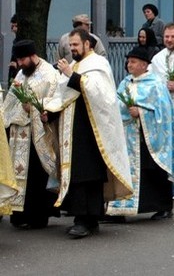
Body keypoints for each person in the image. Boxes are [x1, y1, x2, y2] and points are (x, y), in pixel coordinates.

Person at [51, 28, 133, 238]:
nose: (72, 49)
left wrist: (72, 76)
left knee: (89, 175)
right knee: (78, 174)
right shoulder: (75, 65)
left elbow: (101, 95)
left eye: (76, 45)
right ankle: (85, 217)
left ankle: (86, 219)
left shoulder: (98, 63)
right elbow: (62, 92)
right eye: (71, 46)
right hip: (74, 128)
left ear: (88, 44)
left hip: (92, 128)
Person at [106, 46, 174, 219]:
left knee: (153, 171)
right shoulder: (125, 83)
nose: (129, 65)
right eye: (128, 62)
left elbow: (164, 113)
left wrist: (141, 113)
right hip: (128, 137)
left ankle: (163, 206)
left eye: (133, 62)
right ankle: (123, 208)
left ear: (144, 65)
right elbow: (116, 104)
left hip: (150, 138)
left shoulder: (156, 85)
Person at [2, 40, 63, 228]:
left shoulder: (49, 75)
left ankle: (38, 217)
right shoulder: (21, 73)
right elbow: (10, 101)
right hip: (19, 134)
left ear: (32, 55)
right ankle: (19, 215)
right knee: (19, 174)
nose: (19, 64)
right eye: (18, 60)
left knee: (36, 176)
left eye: (22, 59)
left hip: (38, 135)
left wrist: (34, 109)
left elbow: (55, 102)